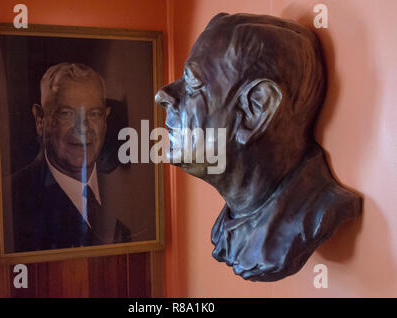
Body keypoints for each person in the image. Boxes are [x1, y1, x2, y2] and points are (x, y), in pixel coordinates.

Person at [155, 13, 361, 281]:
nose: (164, 95)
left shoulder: (318, 213)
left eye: (193, 84)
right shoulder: (231, 224)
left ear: (255, 110)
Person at [5, 62, 130, 253]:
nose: (83, 127)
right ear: (40, 119)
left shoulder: (125, 191)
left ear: (105, 119)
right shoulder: (8, 199)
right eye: (67, 114)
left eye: (94, 114)